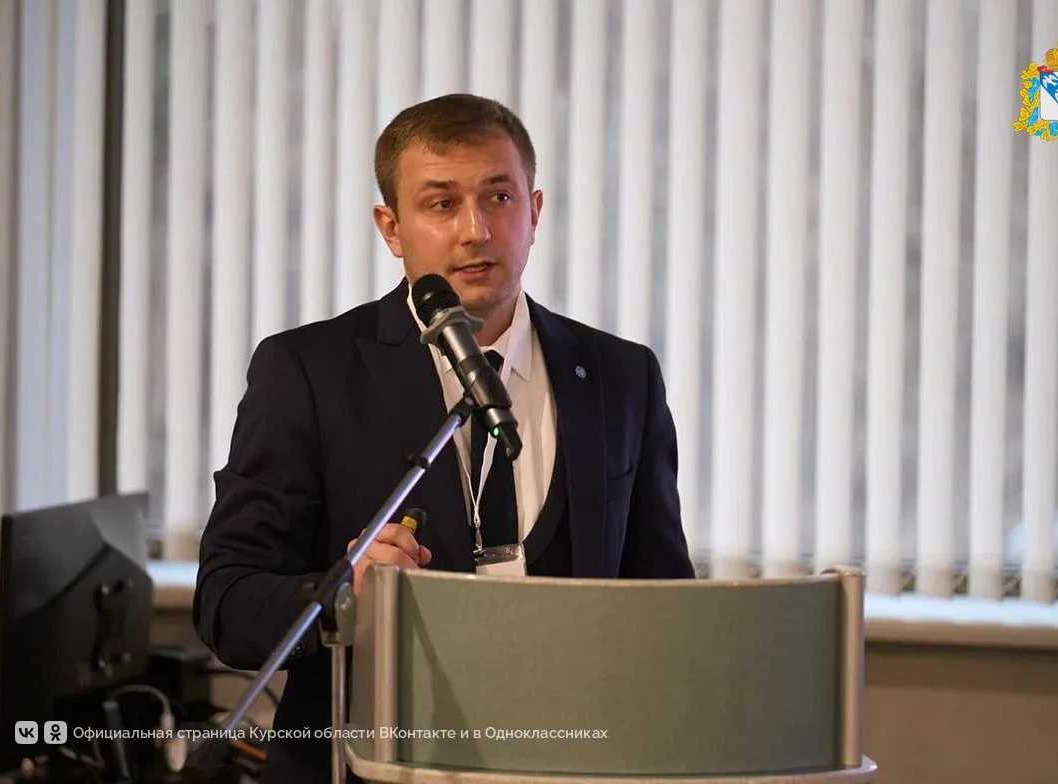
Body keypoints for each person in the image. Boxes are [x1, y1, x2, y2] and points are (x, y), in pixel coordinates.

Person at [193, 93, 695, 784]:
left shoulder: (619, 376)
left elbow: (664, 604)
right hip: (370, 766)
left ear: (535, 212)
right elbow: (226, 605)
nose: (475, 230)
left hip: (570, 763)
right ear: (391, 228)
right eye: (441, 204)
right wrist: (343, 593)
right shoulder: (307, 371)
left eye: (499, 198)